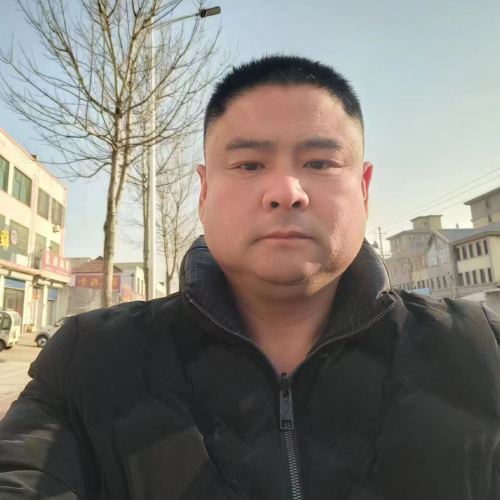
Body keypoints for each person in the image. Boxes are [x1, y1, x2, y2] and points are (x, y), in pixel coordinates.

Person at [0, 55, 499, 500]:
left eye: (319, 162)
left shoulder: (481, 353)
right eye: (249, 164)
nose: (286, 191)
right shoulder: (89, 362)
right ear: (203, 192)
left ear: (363, 189)